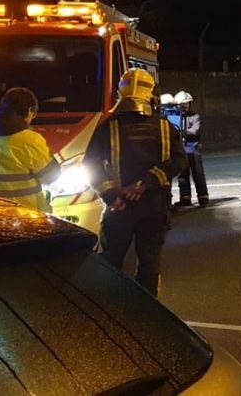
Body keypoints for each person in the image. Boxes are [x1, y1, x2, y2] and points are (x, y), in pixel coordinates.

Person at [86, 68, 187, 296]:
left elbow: (89, 163)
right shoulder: (165, 126)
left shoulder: (108, 126)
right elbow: (179, 161)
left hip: (119, 206)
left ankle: (109, 310)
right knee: (149, 262)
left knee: (111, 260)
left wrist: (111, 195)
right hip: (155, 205)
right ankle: (147, 312)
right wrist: (146, 181)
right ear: (150, 94)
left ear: (120, 94)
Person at [0, 87, 60, 212]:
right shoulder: (30, 139)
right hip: (27, 215)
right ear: (29, 110)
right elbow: (50, 176)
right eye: (33, 114)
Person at [173, 90, 208, 207]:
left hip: (193, 150)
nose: (186, 105)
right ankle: (185, 198)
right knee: (182, 176)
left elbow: (194, 131)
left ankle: (203, 197)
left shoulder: (195, 116)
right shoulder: (175, 118)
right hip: (181, 150)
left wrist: (181, 133)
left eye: (187, 103)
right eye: (183, 103)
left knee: (198, 174)